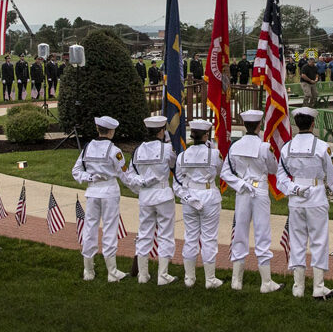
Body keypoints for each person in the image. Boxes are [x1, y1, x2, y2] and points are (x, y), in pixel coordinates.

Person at [275, 106, 333, 299]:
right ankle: (318, 287)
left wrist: (293, 189)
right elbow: (332, 177)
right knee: (319, 241)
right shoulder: (321, 147)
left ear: (296, 124)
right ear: (313, 124)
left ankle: (298, 287)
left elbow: (280, 177)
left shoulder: (287, 147)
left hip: (296, 199)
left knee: (297, 241)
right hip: (316, 198)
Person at [220, 110, 282, 293]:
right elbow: (273, 169)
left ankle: (236, 281)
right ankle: (266, 282)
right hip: (259, 190)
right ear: (259, 124)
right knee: (263, 233)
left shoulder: (235, 146)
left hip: (243, 192)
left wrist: (240, 183)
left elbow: (225, 172)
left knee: (240, 232)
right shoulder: (264, 147)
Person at [120, 115, 178, 285]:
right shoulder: (167, 149)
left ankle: (143, 275)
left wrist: (142, 181)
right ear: (161, 131)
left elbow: (130, 175)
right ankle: (163, 275)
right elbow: (174, 165)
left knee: (145, 234)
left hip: (146, 196)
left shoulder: (138, 150)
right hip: (162, 195)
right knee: (165, 235)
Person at [71, 116, 129, 282]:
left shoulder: (87, 148)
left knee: (89, 229)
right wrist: (140, 187)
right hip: (109, 191)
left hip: (93, 192)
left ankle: (88, 270)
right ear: (111, 131)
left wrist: (90, 177)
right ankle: (112, 272)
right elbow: (124, 175)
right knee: (110, 229)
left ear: (98, 129)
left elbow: (76, 171)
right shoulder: (114, 151)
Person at [174, 119, 223, 289]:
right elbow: (219, 171)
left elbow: (178, 182)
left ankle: (189, 278)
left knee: (190, 237)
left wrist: (187, 198)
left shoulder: (182, 155)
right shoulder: (214, 154)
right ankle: (210, 279)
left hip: (189, 195)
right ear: (206, 135)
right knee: (209, 238)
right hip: (209, 194)